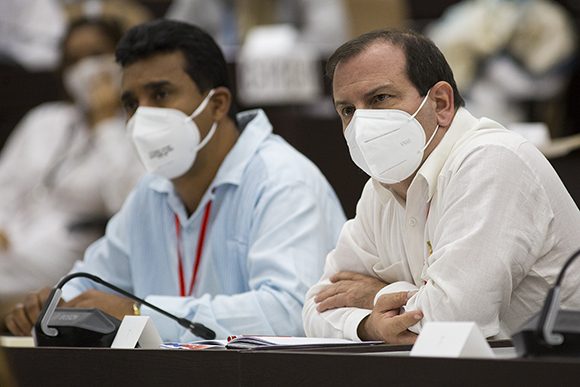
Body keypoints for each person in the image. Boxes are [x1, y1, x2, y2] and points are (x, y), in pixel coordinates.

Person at [4, 19, 346, 341]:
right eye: (131, 103)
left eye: (161, 94)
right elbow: (95, 283)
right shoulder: (150, 192)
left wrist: (142, 313)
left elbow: (290, 312)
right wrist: (55, 307)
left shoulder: (283, 181)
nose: (142, 115)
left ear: (217, 104)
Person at [302, 29, 580, 344]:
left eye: (379, 98)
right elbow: (316, 305)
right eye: (348, 110)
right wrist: (370, 325)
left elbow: (456, 321)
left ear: (441, 102)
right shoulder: (380, 188)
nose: (361, 125)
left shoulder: (491, 160)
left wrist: (374, 296)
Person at [0, 17, 142, 307]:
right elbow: (5, 182)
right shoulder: (45, 119)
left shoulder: (135, 130)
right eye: (73, 60)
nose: (85, 69)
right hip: (12, 242)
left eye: (96, 55)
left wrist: (105, 123)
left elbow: (126, 203)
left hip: (67, 251)